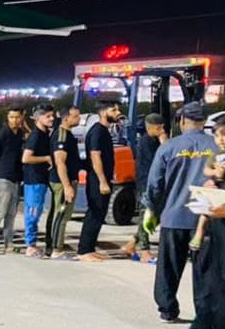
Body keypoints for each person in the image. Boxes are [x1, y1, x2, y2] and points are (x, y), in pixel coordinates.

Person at [146, 102, 217, 323]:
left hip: (173, 216)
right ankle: (204, 315)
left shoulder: (169, 147)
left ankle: (167, 310)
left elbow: (155, 183)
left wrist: (151, 209)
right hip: (206, 220)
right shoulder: (217, 146)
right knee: (205, 270)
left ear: (182, 121)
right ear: (204, 121)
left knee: (168, 267)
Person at [183, 114, 225, 329]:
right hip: (220, 233)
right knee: (214, 288)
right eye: (216, 135)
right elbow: (211, 177)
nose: (221, 140)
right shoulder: (221, 158)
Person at [77, 95, 123, 261]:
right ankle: (84, 251)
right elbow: (95, 157)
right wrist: (103, 181)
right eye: (114, 110)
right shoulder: (97, 132)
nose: (118, 113)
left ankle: (90, 248)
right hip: (97, 180)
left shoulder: (104, 131)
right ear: (103, 113)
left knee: (99, 214)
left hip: (103, 178)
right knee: (94, 214)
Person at [122, 113, 167, 261]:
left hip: (157, 184)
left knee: (156, 217)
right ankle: (144, 251)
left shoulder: (156, 140)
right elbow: (159, 160)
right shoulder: (145, 142)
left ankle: (132, 243)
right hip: (146, 184)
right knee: (146, 215)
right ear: (149, 128)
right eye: (158, 128)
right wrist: (165, 144)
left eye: (162, 127)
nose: (162, 130)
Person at [0, 107, 26, 254]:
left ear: (22, 118)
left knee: (11, 213)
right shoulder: (2, 133)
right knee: (0, 211)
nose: (15, 120)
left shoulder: (20, 134)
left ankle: (9, 243)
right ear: (7, 118)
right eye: (11, 117)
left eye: (17, 117)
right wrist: (0, 166)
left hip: (15, 177)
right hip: (2, 176)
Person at [47, 105, 83, 259]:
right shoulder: (61, 136)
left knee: (63, 215)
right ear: (66, 118)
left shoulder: (68, 134)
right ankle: (57, 249)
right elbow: (60, 162)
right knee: (61, 215)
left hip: (68, 180)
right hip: (62, 182)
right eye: (75, 116)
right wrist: (67, 186)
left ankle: (55, 247)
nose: (79, 118)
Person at [21, 104, 56, 258]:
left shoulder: (45, 134)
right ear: (38, 118)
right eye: (48, 116)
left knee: (37, 210)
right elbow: (26, 158)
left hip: (41, 178)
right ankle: (30, 245)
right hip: (34, 179)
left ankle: (32, 243)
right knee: (33, 212)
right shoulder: (35, 136)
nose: (52, 119)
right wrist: (46, 158)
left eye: (52, 115)